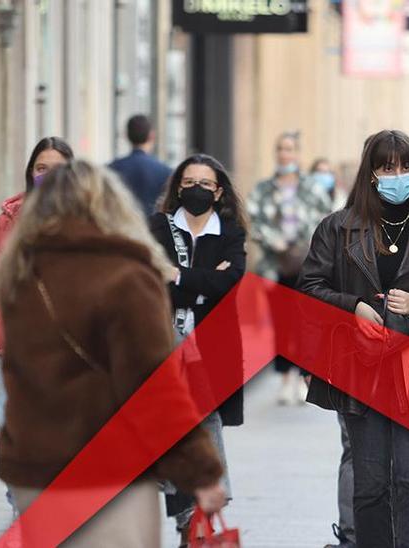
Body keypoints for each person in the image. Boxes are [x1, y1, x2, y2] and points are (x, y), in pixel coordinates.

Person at [0, 160, 227, 547]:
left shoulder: (19, 275)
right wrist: (201, 472)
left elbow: (18, 380)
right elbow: (155, 386)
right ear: (110, 206)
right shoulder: (127, 276)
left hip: (37, 470)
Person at [299, 129, 409, 548]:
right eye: (387, 166)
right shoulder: (337, 229)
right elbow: (307, 289)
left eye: (406, 165)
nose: (398, 174)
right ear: (371, 173)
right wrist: (353, 304)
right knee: (371, 482)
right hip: (361, 370)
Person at [147, 153, 247, 544]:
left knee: (205, 424)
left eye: (205, 184)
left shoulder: (231, 232)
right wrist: (206, 280)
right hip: (163, 345)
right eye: (189, 183)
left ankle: (201, 511)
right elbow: (152, 279)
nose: (197, 190)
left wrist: (180, 276)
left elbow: (232, 282)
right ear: (177, 188)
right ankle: (191, 515)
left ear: (218, 191)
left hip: (211, 347)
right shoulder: (158, 227)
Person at [0, 137, 73, 433]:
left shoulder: (90, 219)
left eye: (57, 168)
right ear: (31, 173)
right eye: (41, 168)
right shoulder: (9, 221)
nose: (48, 175)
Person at [248, 131, 332, 405]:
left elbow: (328, 219)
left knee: (306, 324)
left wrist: (307, 242)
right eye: (281, 149)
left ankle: (303, 377)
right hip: (276, 265)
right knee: (282, 324)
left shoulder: (312, 187)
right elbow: (253, 221)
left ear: (297, 153)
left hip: (307, 264)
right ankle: (285, 378)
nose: (285, 154)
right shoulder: (264, 188)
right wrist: (277, 241)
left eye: (290, 149)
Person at [110, 114, 172, 215]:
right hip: (152, 228)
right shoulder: (165, 171)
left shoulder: (112, 169)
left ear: (126, 135)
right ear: (151, 135)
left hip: (121, 227)